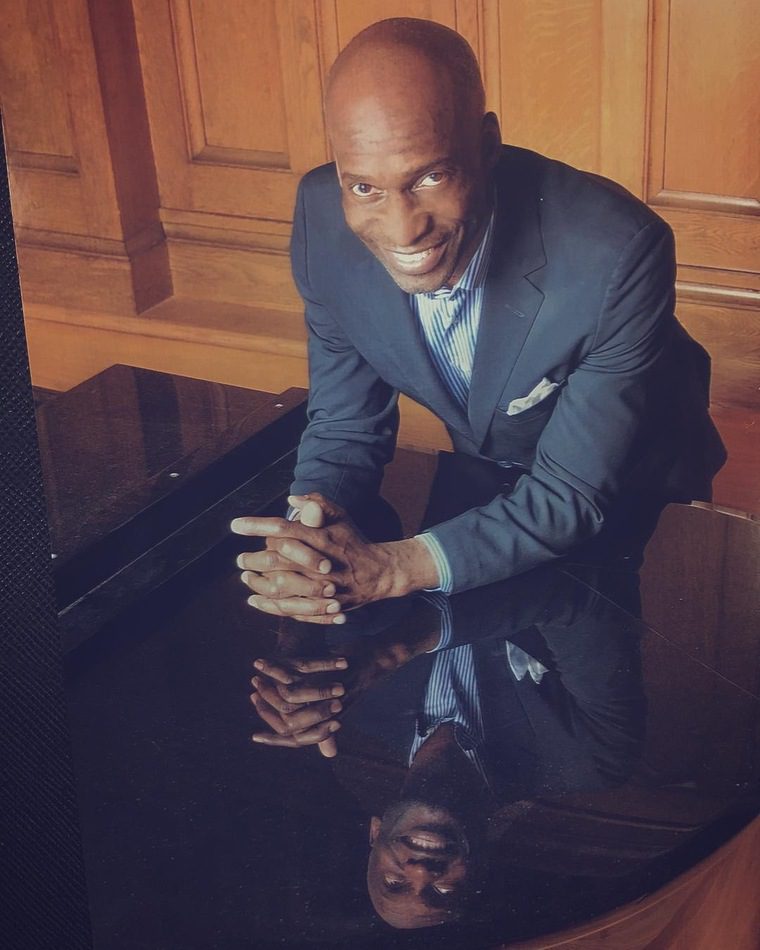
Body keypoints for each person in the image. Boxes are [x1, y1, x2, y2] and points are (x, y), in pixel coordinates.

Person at [231, 17, 725, 624]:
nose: (403, 228)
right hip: (485, 469)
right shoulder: (319, 217)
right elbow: (345, 423)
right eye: (364, 187)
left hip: (636, 498)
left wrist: (392, 568)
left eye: (430, 177)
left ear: (488, 145)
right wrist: (309, 534)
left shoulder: (616, 250)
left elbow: (571, 495)